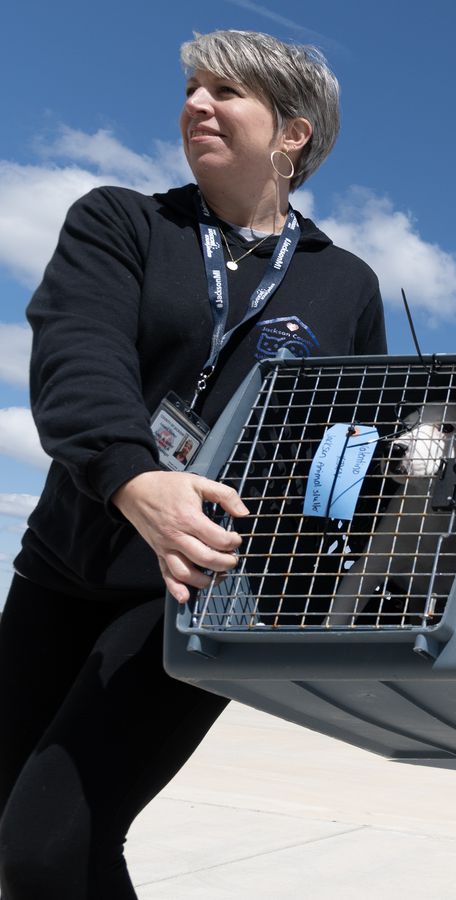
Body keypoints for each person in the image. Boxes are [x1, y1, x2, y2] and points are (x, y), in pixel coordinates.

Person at [0, 30, 386, 897]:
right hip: (66, 566)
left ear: (293, 133)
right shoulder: (121, 219)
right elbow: (77, 350)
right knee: (35, 839)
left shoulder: (346, 285)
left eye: (226, 92)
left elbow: (351, 451)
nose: (195, 105)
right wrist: (134, 476)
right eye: (192, 88)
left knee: (46, 844)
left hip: (202, 592)